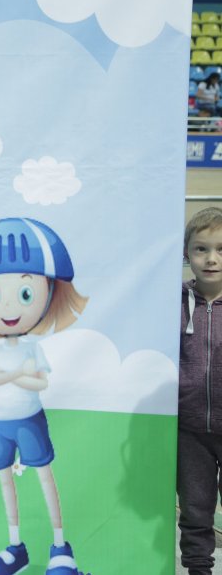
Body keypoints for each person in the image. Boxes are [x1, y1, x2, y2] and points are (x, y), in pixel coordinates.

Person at [0, 218, 89, 575]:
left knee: (43, 475)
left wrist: (14, 376)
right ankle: (15, 548)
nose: (9, 309)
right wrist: (14, 375)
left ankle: (60, 547)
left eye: (26, 294)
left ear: (50, 295)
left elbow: (39, 384)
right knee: (4, 479)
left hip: (29, 421)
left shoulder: (31, 349)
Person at [178, 206, 222, 575]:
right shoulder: (172, 303)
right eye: (201, 249)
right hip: (189, 431)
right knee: (194, 513)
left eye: (221, 249)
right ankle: (197, 570)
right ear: (186, 254)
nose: (211, 259)